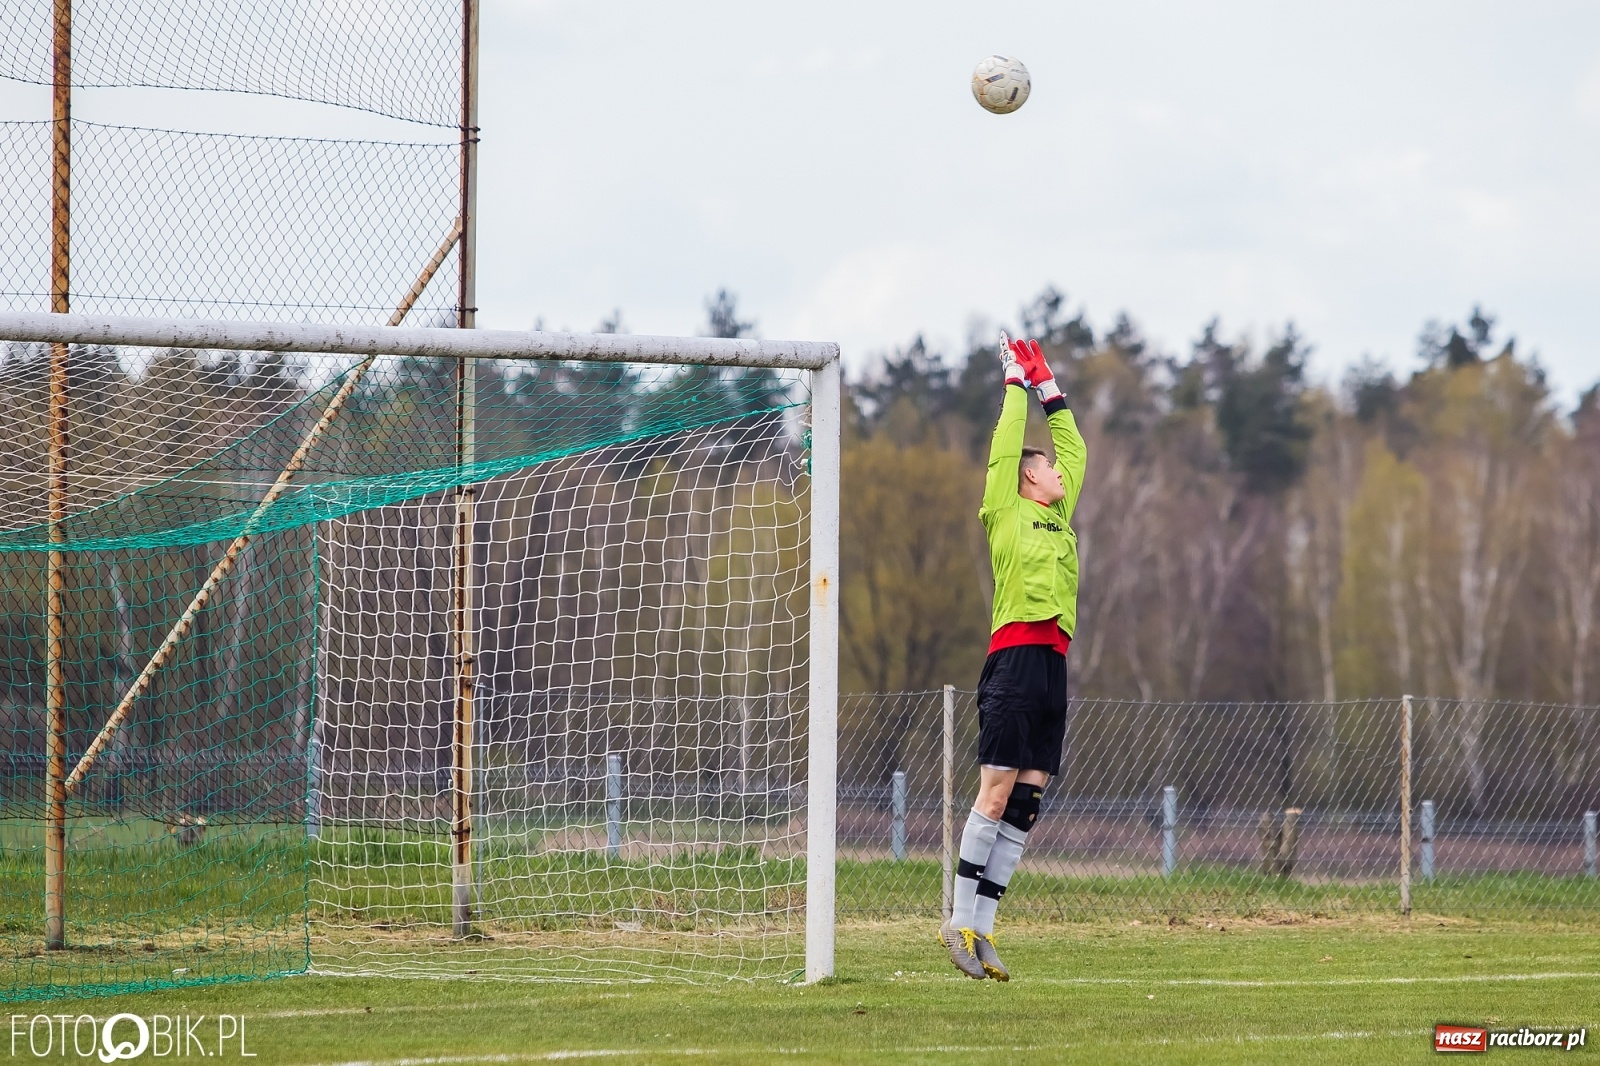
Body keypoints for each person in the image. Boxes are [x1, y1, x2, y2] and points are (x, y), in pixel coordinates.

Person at [939, 333, 1087, 982]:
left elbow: (1076, 447)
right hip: (1015, 661)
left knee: (1027, 803)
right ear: (1029, 477)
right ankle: (959, 921)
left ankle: (988, 931)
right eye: (1049, 466)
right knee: (994, 798)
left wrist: (1050, 387)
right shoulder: (1006, 507)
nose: (1060, 470)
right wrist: (1014, 385)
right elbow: (1006, 446)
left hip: (1054, 667)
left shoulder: (1061, 517)